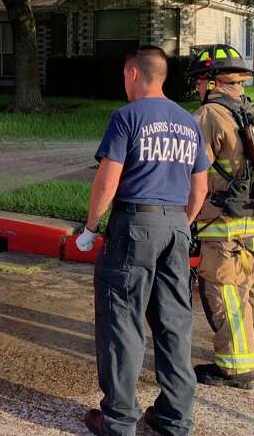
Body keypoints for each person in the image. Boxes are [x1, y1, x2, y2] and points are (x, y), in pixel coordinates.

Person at [76, 46, 209, 436]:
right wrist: (180, 224)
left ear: (133, 73)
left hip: (135, 225)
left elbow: (107, 181)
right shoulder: (189, 122)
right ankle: (174, 418)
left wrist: (91, 227)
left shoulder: (126, 117)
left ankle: (118, 420)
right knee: (174, 324)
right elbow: (200, 188)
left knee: (122, 322)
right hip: (176, 230)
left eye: (124, 76)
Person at [187, 44, 254, 389]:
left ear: (213, 81)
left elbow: (193, 171)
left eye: (199, 81)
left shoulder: (208, 116)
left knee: (226, 292)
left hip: (228, 226)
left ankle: (235, 366)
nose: (197, 88)